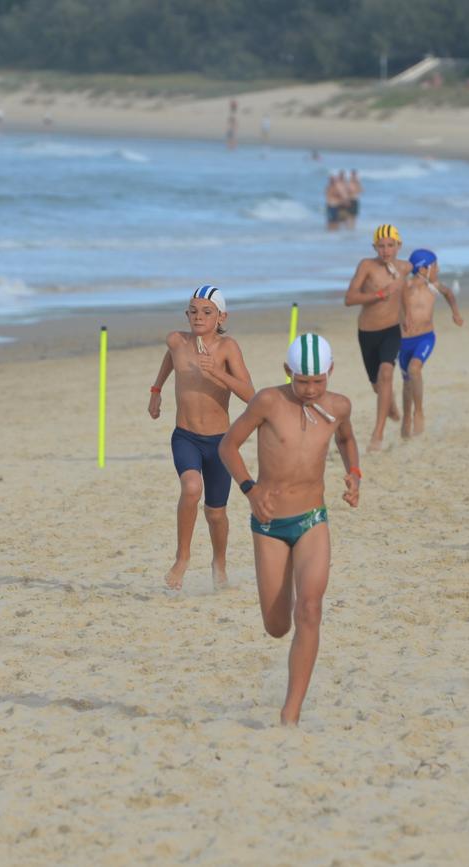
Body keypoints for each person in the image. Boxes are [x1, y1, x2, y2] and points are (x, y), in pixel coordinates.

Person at [218, 334, 361, 726]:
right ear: (288, 373)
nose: (311, 389)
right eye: (302, 382)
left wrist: (354, 474)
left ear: (330, 373)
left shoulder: (339, 407)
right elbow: (228, 446)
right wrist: (250, 490)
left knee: (310, 609)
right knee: (277, 626)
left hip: (313, 519)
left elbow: (346, 439)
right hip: (268, 524)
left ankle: (290, 713)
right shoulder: (268, 401)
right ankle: (285, 602)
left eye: (318, 381)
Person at [148, 285, 254, 591]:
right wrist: (156, 390)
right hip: (186, 436)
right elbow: (172, 358)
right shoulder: (176, 340)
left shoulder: (227, 348)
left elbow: (251, 395)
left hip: (220, 443)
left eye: (207, 312)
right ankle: (182, 558)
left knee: (216, 513)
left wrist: (218, 373)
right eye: (193, 311)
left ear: (221, 316)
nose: (198, 317)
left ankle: (219, 563)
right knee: (191, 488)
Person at [344, 224, 411, 452]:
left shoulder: (405, 268)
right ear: (374, 247)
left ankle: (378, 434)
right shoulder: (366, 266)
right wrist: (379, 294)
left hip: (392, 329)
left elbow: (420, 280)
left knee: (386, 373)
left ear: (398, 246)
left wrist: (408, 317)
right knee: (378, 385)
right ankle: (388, 401)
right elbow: (350, 298)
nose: (386, 251)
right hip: (367, 332)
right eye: (381, 246)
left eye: (390, 246)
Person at [399, 249, 464, 438]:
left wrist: (456, 313)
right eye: (435, 265)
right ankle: (407, 418)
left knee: (414, 369)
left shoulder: (433, 286)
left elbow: (449, 293)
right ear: (423, 268)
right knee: (407, 384)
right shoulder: (407, 287)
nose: (438, 269)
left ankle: (418, 412)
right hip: (403, 341)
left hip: (425, 338)